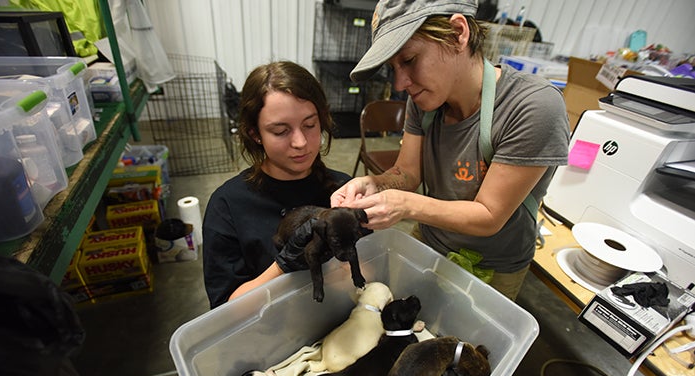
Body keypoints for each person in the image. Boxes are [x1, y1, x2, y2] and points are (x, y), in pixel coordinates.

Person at [331, 0, 570, 301]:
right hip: (429, 240)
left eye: (409, 60)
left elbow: (488, 215)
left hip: (494, 265)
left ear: (458, 33)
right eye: (392, 68)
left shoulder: (532, 106)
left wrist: (404, 205)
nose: (401, 83)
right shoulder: (424, 100)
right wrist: (374, 184)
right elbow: (407, 173)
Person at [202, 61, 351, 309]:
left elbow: (372, 273)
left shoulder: (343, 190)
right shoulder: (227, 206)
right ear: (255, 134)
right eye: (281, 131)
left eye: (310, 125)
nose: (301, 142)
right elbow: (225, 312)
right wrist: (283, 266)